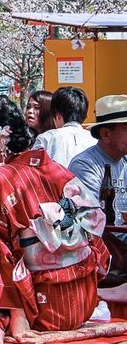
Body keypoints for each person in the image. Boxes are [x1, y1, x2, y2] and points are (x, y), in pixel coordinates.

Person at [0, 95, 109, 340]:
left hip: (42, 310)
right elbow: (93, 236)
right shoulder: (56, 169)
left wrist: (18, 318)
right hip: (83, 299)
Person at [69, 95, 127, 284]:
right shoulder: (85, 164)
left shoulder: (124, 160)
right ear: (105, 134)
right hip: (106, 251)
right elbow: (90, 219)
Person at [32, 86, 96, 167]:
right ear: (84, 116)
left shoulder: (46, 139)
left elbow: (32, 171)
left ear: (57, 115)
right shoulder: (95, 140)